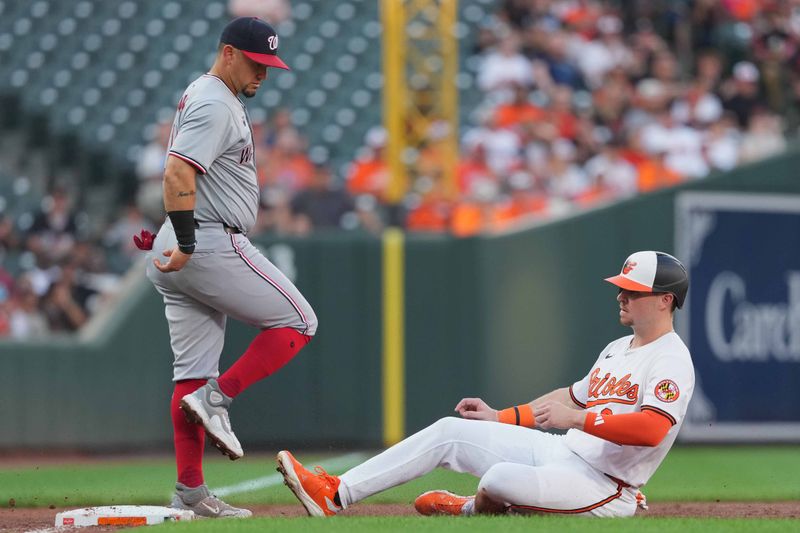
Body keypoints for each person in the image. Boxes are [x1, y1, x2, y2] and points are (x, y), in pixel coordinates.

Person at [277, 251, 692, 518]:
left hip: (603, 483)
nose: (620, 296)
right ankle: (334, 493)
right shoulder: (618, 346)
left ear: (665, 300)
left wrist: (580, 420)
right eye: (620, 289)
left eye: (632, 291)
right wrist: (501, 417)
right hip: (563, 451)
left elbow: (653, 429)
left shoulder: (672, 359)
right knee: (449, 432)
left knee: (498, 480)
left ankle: (469, 511)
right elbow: (567, 398)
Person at [141, 17, 317, 518]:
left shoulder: (209, 95)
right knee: (300, 320)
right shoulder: (217, 100)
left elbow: (183, 171)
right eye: (257, 63)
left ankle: (191, 493)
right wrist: (189, 239)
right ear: (228, 53)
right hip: (209, 239)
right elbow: (177, 170)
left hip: (186, 235)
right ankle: (220, 400)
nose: (264, 73)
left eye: (270, 65)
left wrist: (175, 232)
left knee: (190, 376)